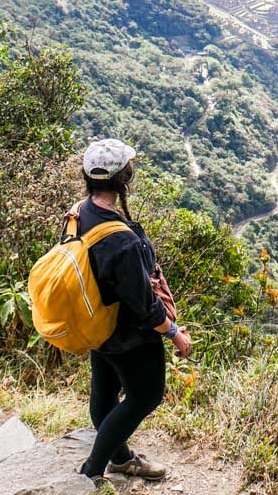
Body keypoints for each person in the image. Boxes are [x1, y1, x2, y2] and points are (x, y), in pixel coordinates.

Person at [75, 138, 192, 488]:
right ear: (123, 179)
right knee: (145, 395)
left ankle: (121, 457)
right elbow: (144, 305)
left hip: (97, 321)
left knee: (105, 394)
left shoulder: (79, 213)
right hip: (128, 335)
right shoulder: (121, 241)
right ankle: (93, 469)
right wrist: (173, 332)